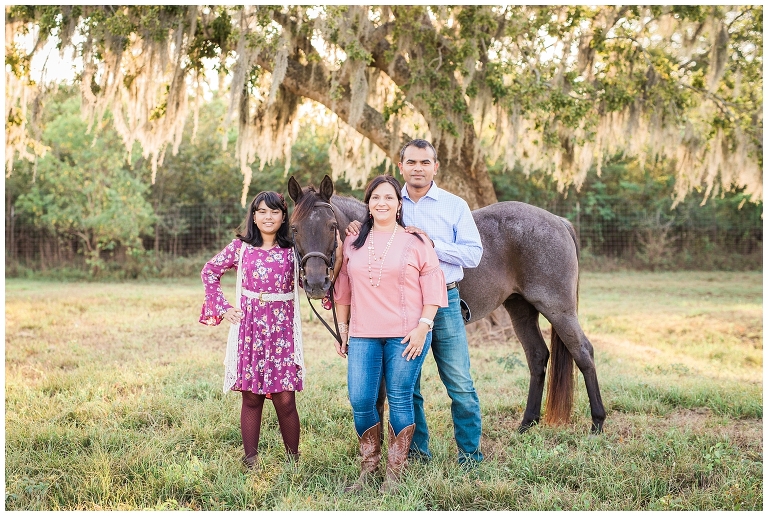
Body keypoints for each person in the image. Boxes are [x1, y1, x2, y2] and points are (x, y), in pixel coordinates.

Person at [347, 139, 484, 466]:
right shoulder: (389, 200)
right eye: (412, 162)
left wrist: (432, 243)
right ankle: (418, 453)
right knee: (408, 388)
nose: (418, 168)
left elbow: (474, 254)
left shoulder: (453, 205)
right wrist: (359, 229)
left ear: (435, 167)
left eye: (425, 162)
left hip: (445, 300)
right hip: (402, 304)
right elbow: (373, 237)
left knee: (460, 383)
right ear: (401, 166)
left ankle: (470, 455)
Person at [334, 175, 448, 494]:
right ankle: (369, 469)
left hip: (406, 334)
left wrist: (423, 327)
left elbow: (434, 287)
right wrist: (343, 329)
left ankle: (395, 475)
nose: (381, 202)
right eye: (375, 198)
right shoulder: (353, 242)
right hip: (362, 335)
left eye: (388, 197)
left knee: (399, 397)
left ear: (399, 204)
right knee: (360, 399)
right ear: (367, 204)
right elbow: (343, 290)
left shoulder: (417, 241)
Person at [200, 191, 303, 468]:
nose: (268, 217)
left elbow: (313, 280)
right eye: (262, 212)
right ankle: (250, 459)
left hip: (282, 332)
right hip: (250, 329)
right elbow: (209, 271)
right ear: (254, 217)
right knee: (252, 395)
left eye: (274, 212)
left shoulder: (294, 250)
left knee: (285, 398)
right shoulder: (241, 248)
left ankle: (293, 460)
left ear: (283, 217)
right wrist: (223, 307)